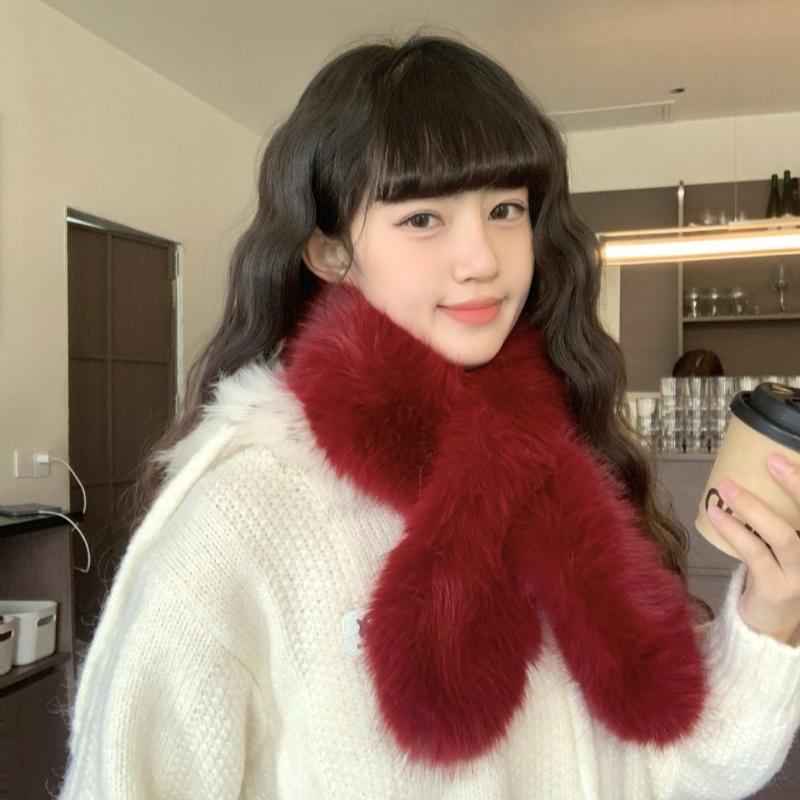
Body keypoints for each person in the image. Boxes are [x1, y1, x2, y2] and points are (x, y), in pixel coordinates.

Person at [57, 34, 800, 799]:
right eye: (422, 219)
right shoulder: (242, 514)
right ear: (331, 253)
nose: (482, 259)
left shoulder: (554, 461)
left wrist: (772, 610)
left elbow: (676, 765)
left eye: (505, 209)